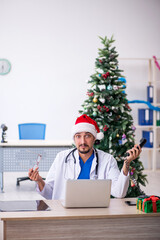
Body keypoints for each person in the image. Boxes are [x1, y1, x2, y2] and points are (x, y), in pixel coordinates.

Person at [28, 114, 141, 200]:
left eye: (87, 136)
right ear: (74, 139)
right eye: (78, 136)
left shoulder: (107, 160)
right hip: (65, 213)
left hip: (95, 213)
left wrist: (126, 164)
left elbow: (119, 193)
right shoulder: (61, 158)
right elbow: (49, 194)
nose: (82, 141)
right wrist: (39, 181)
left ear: (94, 138)